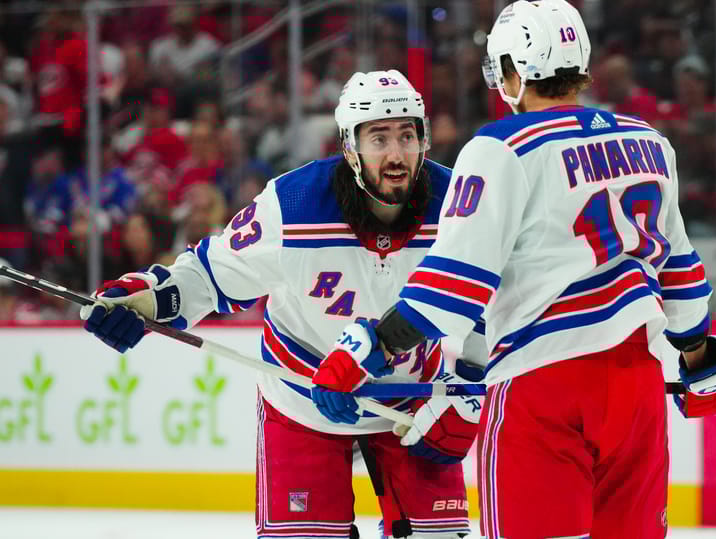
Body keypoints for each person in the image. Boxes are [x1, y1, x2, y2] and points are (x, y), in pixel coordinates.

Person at [312, 0, 716, 538]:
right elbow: (680, 270)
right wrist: (699, 358)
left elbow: (451, 289)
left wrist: (370, 348)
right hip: (636, 385)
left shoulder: (500, 147)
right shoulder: (649, 141)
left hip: (542, 388)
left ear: (516, 71)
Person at [80, 69, 483, 539]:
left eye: (407, 135)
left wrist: (469, 388)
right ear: (350, 147)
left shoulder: (461, 204)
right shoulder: (292, 205)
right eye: (379, 138)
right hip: (302, 396)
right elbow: (208, 276)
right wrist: (142, 300)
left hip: (412, 400)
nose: (396, 154)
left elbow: (502, 299)